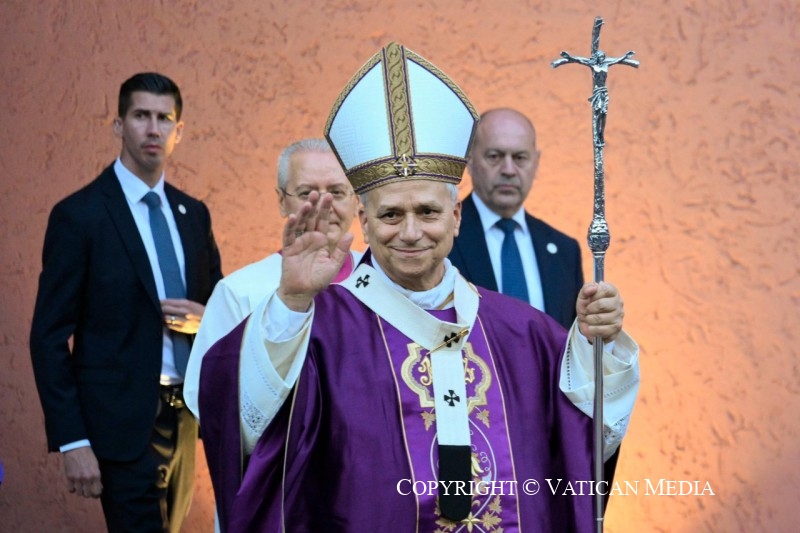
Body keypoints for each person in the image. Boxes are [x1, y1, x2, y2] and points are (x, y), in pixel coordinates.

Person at [190, 43, 639, 532]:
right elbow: (247, 426)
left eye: (427, 211)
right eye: (389, 215)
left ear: (456, 216)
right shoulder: (318, 329)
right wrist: (292, 302)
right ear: (363, 219)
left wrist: (604, 346)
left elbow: (586, 435)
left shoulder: (520, 331)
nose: (409, 232)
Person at [29, 72, 223, 532]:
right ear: (119, 126)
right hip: (119, 427)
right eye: (141, 116)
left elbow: (220, 303)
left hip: (186, 421)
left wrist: (206, 317)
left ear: (179, 132)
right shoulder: (80, 216)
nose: (153, 129)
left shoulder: (193, 214)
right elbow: (48, 337)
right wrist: (73, 440)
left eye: (164, 118)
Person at [184, 138, 361, 422]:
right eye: (307, 193)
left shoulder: (384, 279)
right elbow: (206, 398)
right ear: (281, 201)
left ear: (356, 200)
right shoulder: (238, 292)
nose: (323, 206)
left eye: (337, 192)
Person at [449, 107, 583, 330]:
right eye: (494, 156)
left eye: (520, 158)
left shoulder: (564, 251)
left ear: (536, 162)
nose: (509, 170)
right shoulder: (443, 239)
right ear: (469, 161)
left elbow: (574, 344)